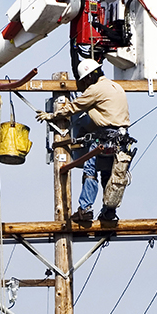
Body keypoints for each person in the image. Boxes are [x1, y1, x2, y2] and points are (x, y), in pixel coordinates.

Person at [36, 58, 131, 222]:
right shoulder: (116, 87)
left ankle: (85, 209)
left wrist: (51, 115)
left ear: (88, 77)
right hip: (122, 142)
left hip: (106, 138)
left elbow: (74, 107)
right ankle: (109, 211)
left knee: (90, 172)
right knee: (111, 175)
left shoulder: (95, 90)